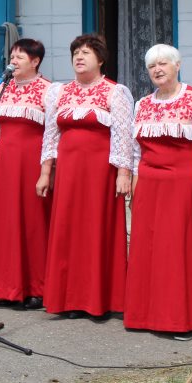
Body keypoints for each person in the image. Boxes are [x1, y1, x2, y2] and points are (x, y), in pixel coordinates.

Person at [125, 44, 192, 340]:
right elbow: (134, 150)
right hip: (150, 185)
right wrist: (134, 183)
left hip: (185, 186)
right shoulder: (142, 104)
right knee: (150, 251)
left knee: (178, 252)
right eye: (152, 66)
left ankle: (181, 318)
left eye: (163, 63)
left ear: (177, 65)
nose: (157, 69)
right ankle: (146, 314)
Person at [41, 34, 134, 317]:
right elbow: (50, 134)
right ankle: (69, 298)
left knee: (97, 229)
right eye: (76, 54)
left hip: (100, 172)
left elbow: (123, 134)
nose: (79, 58)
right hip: (68, 171)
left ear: (101, 59)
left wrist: (123, 172)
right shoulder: (60, 92)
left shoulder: (114, 92)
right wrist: (46, 172)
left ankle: (99, 300)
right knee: (68, 229)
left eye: (86, 53)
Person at [0, 38, 54, 309]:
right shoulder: (1, 88)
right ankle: (3, 286)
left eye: (20, 57)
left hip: (32, 163)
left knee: (33, 222)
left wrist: (46, 169)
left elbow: (52, 133)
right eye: (12, 56)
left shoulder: (49, 90)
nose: (13, 61)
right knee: (4, 221)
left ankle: (36, 288)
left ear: (35, 61)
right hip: (5, 163)